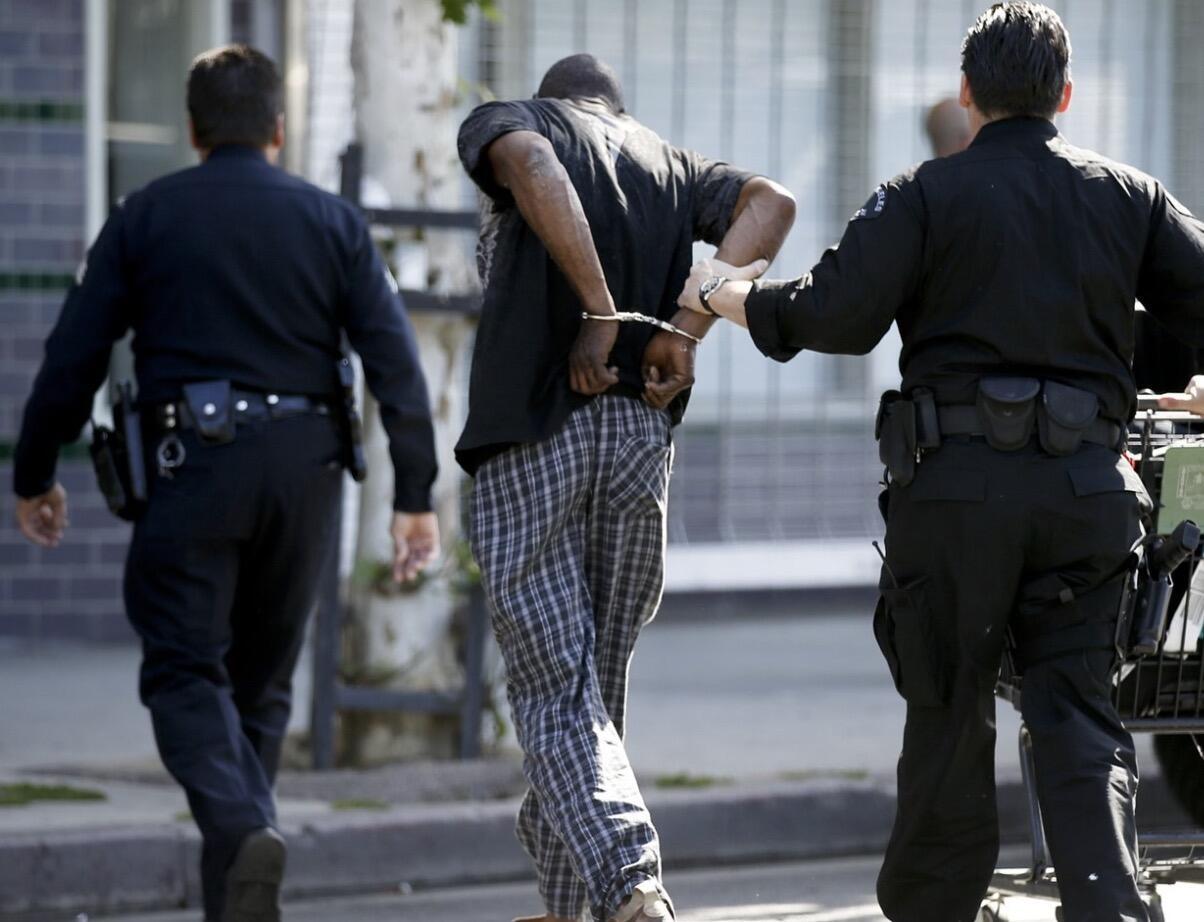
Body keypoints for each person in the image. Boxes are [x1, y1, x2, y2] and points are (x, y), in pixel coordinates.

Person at [678, 3, 1204, 921]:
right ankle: (1107, 908)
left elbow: (833, 314)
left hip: (956, 497)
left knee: (950, 711)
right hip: (1087, 494)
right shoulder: (1132, 195)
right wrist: (1137, 363)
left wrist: (728, 295)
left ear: (967, 93)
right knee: (1080, 719)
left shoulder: (922, 194)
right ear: (1065, 95)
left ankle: (935, 910)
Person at [12, 45, 440, 922]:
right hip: (307, 471)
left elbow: (73, 354)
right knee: (260, 691)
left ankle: (245, 827)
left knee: (181, 669)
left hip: (192, 465)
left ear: (192, 129)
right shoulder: (333, 222)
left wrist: (35, 471)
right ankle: (241, 896)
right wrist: (413, 496)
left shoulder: (146, 216)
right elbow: (396, 362)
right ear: (278, 128)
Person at [456, 54, 794, 922]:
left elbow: (531, 162)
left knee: (554, 689)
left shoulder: (517, 121)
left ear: (558, 101)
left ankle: (631, 885)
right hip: (640, 439)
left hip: (533, 436)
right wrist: (686, 328)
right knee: (592, 696)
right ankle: (574, 908)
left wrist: (600, 313)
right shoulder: (672, 164)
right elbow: (773, 205)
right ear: (615, 106)